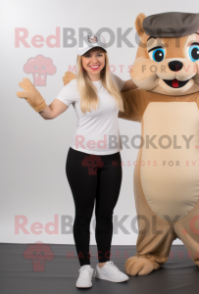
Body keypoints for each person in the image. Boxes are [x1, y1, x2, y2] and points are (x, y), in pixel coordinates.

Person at [16, 32, 138, 288]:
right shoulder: (74, 86)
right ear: (81, 60)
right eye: (88, 56)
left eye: (99, 54)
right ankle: (85, 267)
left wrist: (156, 66)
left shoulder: (114, 81)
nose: (94, 60)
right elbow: (50, 114)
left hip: (111, 159)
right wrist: (37, 102)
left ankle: (104, 265)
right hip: (82, 158)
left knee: (106, 214)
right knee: (83, 215)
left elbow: (135, 83)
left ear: (104, 57)